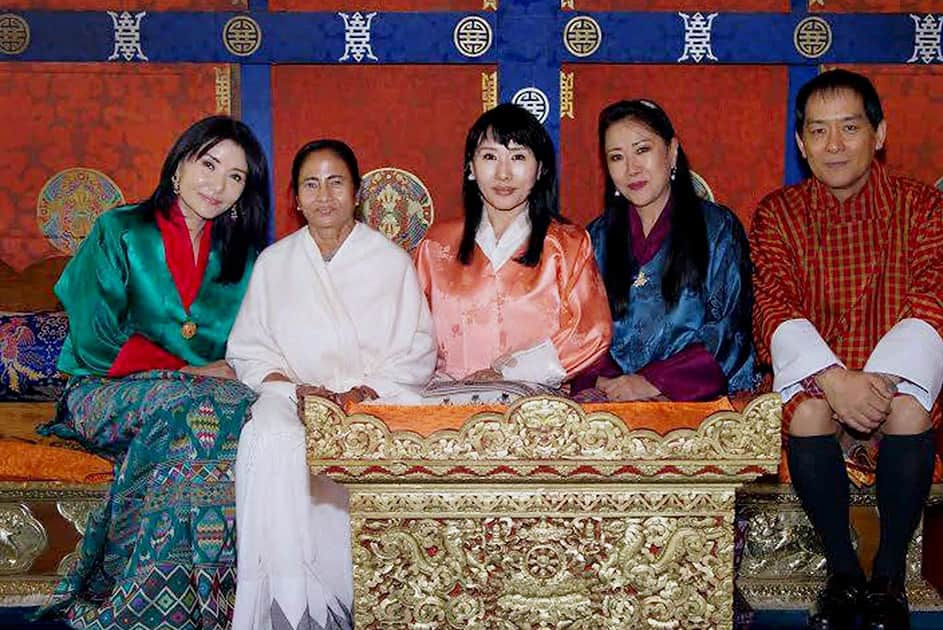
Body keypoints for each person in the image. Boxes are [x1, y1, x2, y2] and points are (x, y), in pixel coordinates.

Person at [750, 69, 943, 630]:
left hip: (891, 383)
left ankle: (888, 576)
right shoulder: (777, 214)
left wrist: (880, 381)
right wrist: (833, 378)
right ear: (801, 143)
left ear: (880, 133)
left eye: (850, 127)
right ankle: (843, 574)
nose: (835, 145)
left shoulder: (921, 207)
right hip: (818, 386)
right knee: (812, 415)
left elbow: (940, 298)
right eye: (818, 132)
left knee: (909, 410)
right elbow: (771, 303)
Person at [37, 115, 270, 629]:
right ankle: (146, 598)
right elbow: (96, 339)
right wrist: (188, 370)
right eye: (209, 164)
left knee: (234, 410)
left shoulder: (245, 259)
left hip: (196, 403)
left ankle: (208, 603)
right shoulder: (119, 231)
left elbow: (251, 347)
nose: (218, 184)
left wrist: (219, 374)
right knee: (198, 406)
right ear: (180, 163)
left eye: (236, 177)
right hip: (101, 389)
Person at [226, 139, 436, 629]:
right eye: (311, 185)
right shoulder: (275, 263)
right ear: (295, 198)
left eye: (336, 182)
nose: (324, 196)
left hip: (374, 398)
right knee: (270, 436)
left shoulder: (389, 261)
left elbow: (418, 349)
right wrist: (297, 391)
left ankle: (369, 601)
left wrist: (362, 393)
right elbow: (250, 348)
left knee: (364, 442)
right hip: (294, 396)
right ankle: (291, 605)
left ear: (357, 192)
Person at [414, 103, 611, 388]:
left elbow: (592, 331)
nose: (503, 174)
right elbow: (411, 334)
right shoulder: (436, 246)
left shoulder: (568, 245)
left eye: (518, 157)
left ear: (541, 168)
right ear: (471, 166)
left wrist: (512, 373)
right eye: (490, 157)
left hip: (537, 414)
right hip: (449, 408)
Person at [572, 99, 756, 402]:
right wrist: (605, 380)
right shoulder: (597, 238)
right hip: (615, 396)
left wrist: (653, 382)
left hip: (696, 396)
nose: (632, 168)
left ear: (672, 151)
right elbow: (584, 330)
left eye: (643, 150)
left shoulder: (717, 228)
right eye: (617, 157)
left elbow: (728, 330)